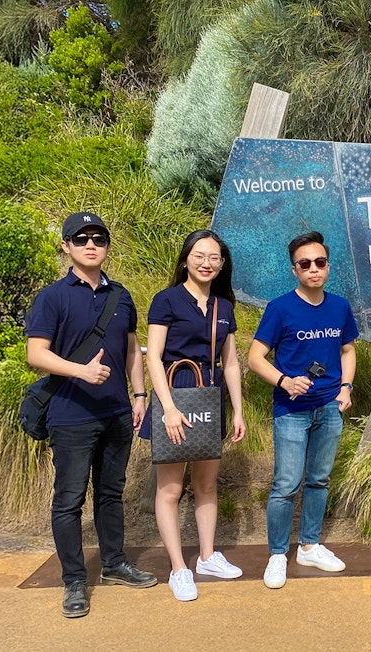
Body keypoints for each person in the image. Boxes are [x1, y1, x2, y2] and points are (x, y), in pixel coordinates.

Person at [25, 212, 158, 618]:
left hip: (117, 411)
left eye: (98, 238)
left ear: (106, 246)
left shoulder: (121, 295)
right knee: (68, 501)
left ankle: (114, 564)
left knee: (110, 494)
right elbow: (36, 354)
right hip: (71, 415)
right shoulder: (53, 297)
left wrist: (139, 395)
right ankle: (74, 581)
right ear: (66, 245)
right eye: (80, 238)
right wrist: (80, 370)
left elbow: (133, 349)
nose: (90, 244)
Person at [139, 230, 247, 601]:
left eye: (214, 257)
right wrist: (166, 407)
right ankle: (178, 568)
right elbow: (153, 356)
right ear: (186, 259)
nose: (206, 263)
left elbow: (230, 362)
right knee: (170, 489)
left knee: (206, 484)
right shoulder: (166, 300)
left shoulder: (224, 307)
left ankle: (206, 556)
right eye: (199, 256)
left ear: (221, 264)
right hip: (175, 394)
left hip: (210, 397)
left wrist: (238, 410)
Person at [248, 231, 358, 590]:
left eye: (320, 262)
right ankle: (278, 554)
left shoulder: (340, 307)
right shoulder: (280, 308)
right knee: (285, 485)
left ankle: (309, 545)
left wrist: (346, 388)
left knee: (319, 479)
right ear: (294, 269)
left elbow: (347, 351)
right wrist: (284, 381)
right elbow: (254, 358)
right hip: (291, 410)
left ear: (328, 266)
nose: (314, 269)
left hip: (329, 406)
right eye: (305, 264)